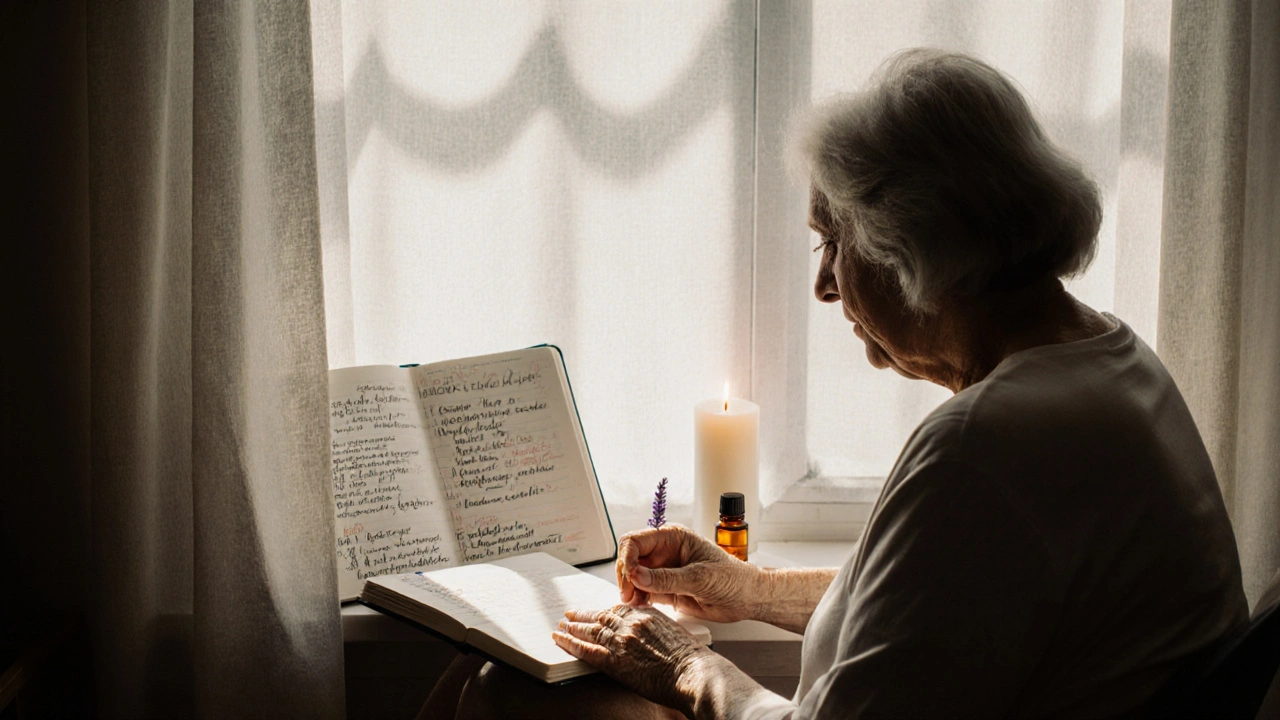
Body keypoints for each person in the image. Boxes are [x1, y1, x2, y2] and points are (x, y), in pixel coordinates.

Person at [427, 48, 1248, 719]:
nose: (825, 286)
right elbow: (943, 611)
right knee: (489, 685)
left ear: (914, 246)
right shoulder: (1110, 361)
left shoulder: (984, 445)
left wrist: (680, 665)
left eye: (833, 241)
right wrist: (747, 587)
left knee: (502, 694)